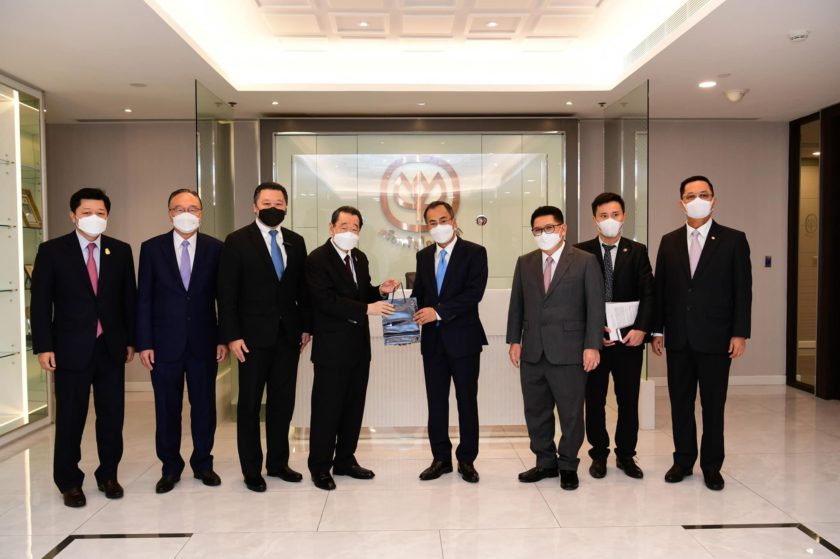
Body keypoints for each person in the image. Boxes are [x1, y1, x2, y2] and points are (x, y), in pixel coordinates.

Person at [30, 188, 136, 508]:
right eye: (87, 212)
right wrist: (44, 346)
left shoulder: (120, 251)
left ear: (107, 216)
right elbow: (40, 303)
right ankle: (69, 481)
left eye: (100, 213)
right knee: (70, 418)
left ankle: (108, 475)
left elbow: (128, 300)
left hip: (110, 348)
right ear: (73, 215)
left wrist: (131, 340)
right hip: (69, 348)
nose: (94, 218)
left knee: (112, 417)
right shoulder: (52, 251)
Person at [651, 175, 752, 491]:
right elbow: (661, 289)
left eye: (703, 194)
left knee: (713, 405)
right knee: (680, 404)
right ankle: (683, 461)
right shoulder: (669, 241)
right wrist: (657, 330)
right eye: (690, 195)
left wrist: (739, 333)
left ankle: (711, 466)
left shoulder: (733, 240)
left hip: (716, 338)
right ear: (681, 202)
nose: (697, 200)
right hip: (679, 338)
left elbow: (742, 290)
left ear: (714, 200)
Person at [217, 182, 312, 493]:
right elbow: (226, 293)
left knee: (282, 403)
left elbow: (302, 290)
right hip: (251, 339)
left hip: (288, 337)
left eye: (279, 203)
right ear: (255, 207)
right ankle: (251, 469)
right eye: (267, 203)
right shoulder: (237, 241)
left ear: (286, 207)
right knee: (249, 405)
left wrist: (305, 326)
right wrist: (232, 336)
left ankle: (278, 463)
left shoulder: (296, 241)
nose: (274, 208)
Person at [506, 206, 604, 490]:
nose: (543, 234)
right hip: (533, 350)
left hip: (570, 350)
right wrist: (514, 340)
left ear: (563, 229)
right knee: (536, 411)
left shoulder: (585, 261)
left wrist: (592, 345)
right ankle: (545, 462)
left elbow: (595, 307)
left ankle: (568, 464)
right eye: (537, 230)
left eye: (549, 228)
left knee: (571, 412)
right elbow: (517, 304)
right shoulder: (525, 262)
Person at [136, 189, 227, 494]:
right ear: (169, 213)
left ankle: (203, 464)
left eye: (193, 208)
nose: (186, 214)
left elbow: (223, 298)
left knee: (204, 408)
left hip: (204, 342)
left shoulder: (216, 248)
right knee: (167, 408)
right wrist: (144, 343)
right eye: (179, 208)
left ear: (201, 213)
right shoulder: (151, 249)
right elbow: (144, 299)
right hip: (164, 345)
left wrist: (222, 338)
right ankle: (170, 467)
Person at [305, 206, 400, 491]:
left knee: (353, 407)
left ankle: (345, 460)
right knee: (327, 409)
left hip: (358, 347)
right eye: (343, 226)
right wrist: (367, 308)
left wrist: (379, 291)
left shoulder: (359, 257)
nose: (349, 232)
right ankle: (320, 466)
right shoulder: (317, 259)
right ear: (331, 228)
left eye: (355, 227)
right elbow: (325, 300)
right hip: (331, 348)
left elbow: (361, 293)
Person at [575, 192, 654, 480]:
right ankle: (598, 454)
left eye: (615, 214)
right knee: (594, 400)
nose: (610, 220)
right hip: (594, 343)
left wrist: (641, 329)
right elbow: (575, 299)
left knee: (628, 400)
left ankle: (626, 455)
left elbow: (649, 294)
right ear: (595, 219)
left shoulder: (637, 251)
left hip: (629, 341)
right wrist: (593, 332)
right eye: (604, 215)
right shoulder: (580, 252)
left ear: (624, 217)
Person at [411, 201, 488, 483]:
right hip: (433, 342)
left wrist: (439, 312)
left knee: (466, 401)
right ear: (427, 227)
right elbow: (419, 295)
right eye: (432, 223)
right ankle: (441, 458)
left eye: (443, 220)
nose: (439, 226)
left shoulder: (475, 253)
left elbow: (474, 293)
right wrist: (399, 305)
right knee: (436, 403)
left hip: (464, 340)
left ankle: (466, 460)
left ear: (454, 221)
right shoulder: (423, 256)